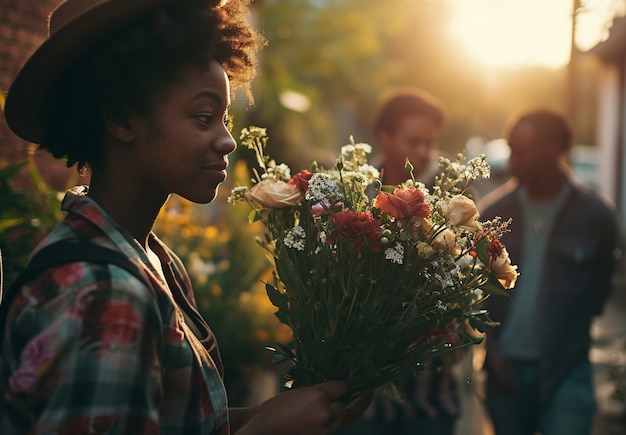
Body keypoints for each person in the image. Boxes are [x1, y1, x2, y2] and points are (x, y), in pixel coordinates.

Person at [0, 0, 363, 433]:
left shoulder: (151, 258)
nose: (228, 141)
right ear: (120, 117)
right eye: (204, 117)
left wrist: (278, 414)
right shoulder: (101, 293)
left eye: (224, 119)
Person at [478, 109, 621, 435]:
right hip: (506, 370)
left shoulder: (596, 216)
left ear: (553, 148)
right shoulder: (495, 213)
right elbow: (481, 291)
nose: (512, 161)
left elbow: (599, 292)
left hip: (568, 369)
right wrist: (494, 349)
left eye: (521, 151)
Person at [344, 88, 463, 435]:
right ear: (384, 135)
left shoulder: (454, 191)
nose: (424, 152)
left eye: (429, 142)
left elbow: (467, 267)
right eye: (413, 141)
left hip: (430, 383)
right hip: (364, 384)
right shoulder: (359, 188)